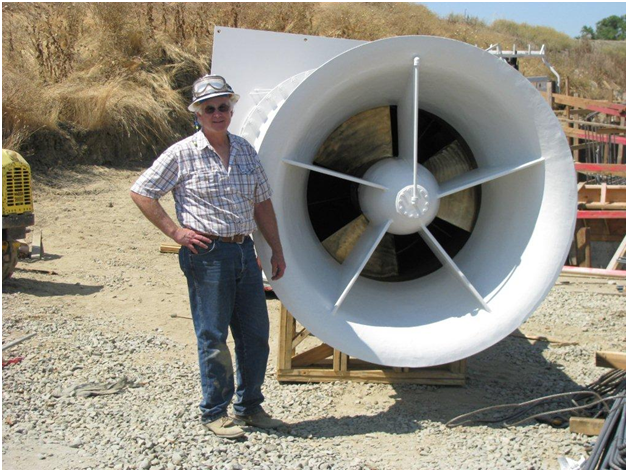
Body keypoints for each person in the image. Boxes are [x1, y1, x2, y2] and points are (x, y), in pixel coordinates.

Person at [130, 75, 286, 439]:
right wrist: (176, 233)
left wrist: (276, 249)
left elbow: (262, 203)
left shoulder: (245, 150)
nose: (218, 114)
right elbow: (142, 192)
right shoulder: (182, 153)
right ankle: (215, 411)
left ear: (231, 110)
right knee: (213, 336)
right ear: (197, 114)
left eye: (223, 107)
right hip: (208, 255)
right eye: (209, 108)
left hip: (244, 251)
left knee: (255, 335)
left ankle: (249, 407)